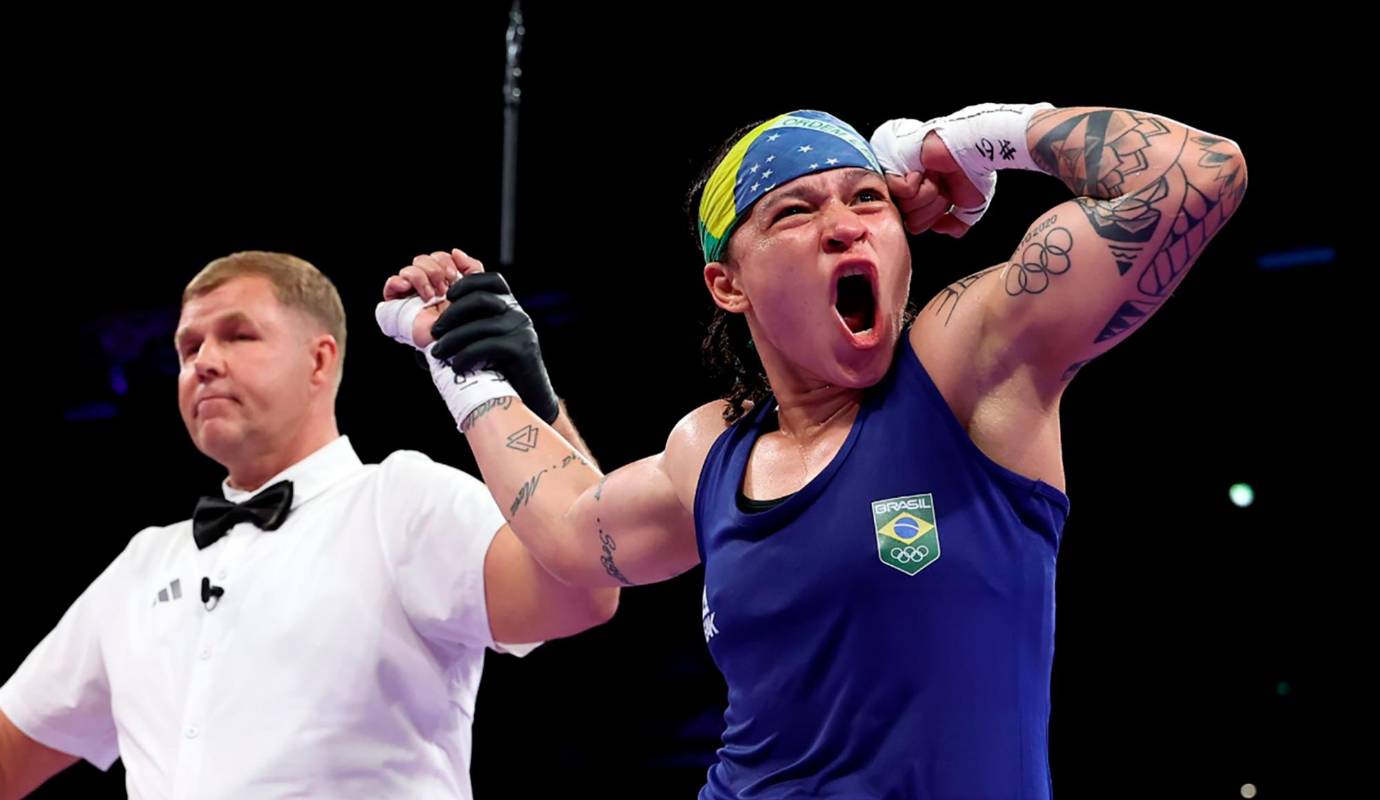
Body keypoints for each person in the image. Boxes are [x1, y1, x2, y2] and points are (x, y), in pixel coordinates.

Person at [378, 104, 1246, 798]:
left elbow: (1196, 175)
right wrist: (475, 371)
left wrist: (970, 138)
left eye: (867, 200)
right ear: (728, 282)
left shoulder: (964, 369)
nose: (844, 227)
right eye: (796, 211)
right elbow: (572, 532)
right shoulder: (711, 446)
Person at [0, 251, 617, 800]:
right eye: (188, 349)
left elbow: (589, 580)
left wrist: (536, 408)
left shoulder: (398, 500)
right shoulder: (143, 566)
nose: (204, 363)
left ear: (320, 359)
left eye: (238, 336)